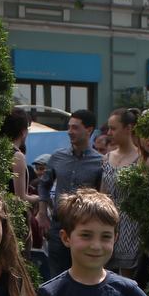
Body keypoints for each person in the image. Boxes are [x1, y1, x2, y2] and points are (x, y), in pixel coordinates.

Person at [37, 109, 105, 277]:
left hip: (85, 226)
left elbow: (102, 196)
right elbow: (44, 185)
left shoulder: (100, 162)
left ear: (89, 130)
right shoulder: (57, 157)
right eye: (69, 127)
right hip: (58, 226)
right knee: (56, 275)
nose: (69, 131)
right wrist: (42, 213)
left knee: (84, 273)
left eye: (75, 127)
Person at [104, 108, 144, 276]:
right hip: (108, 222)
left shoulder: (141, 159)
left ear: (128, 128)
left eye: (113, 128)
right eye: (108, 128)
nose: (109, 133)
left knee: (127, 278)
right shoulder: (107, 157)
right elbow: (102, 193)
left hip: (131, 227)